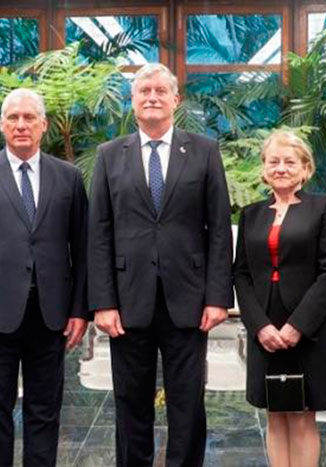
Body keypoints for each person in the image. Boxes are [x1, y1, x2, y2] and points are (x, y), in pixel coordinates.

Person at [88, 63, 233, 467]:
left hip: (188, 299)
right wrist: (102, 301)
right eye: (143, 91)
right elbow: (98, 231)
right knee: (130, 401)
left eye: (159, 91)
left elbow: (219, 227)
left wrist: (217, 297)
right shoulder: (109, 155)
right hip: (127, 300)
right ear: (132, 102)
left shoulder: (204, 151)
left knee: (188, 402)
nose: (151, 97)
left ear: (175, 99)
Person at [0, 88, 89, 467]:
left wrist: (80, 311)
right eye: (13, 118)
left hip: (51, 315)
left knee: (45, 411)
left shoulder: (69, 177)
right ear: (2, 126)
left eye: (29, 118)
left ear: (43, 125)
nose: (21, 125)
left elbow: (83, 249)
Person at [233, 130, 326, 467]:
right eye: (273, 161)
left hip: (307, 326)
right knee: (275, 412)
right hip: (264, 325)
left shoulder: (323, 208)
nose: (281, 168)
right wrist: (259, 326)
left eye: (289, 162)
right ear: (264, 168)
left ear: (305, 169)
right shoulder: (251, 214)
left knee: (302, 414)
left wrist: (297, 326)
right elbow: (241, 273)